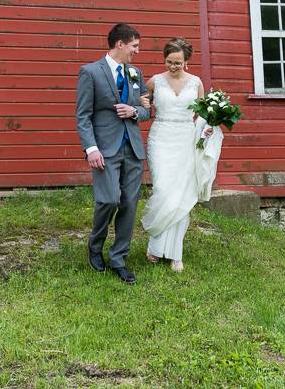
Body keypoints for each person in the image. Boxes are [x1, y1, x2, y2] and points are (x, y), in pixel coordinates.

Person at [76, 23, 151, 285]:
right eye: (134, 46)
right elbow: (83, 116)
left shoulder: (135, 72)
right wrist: (91, 148)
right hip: (104, 149)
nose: (137, 52)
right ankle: (95, 246)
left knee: (129, 204)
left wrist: (134, 112)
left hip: (132, 147)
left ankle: (119, 258)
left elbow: (146, 110)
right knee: (108, 200)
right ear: (120, 44)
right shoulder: (90, 72)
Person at [140, 38, 212, 272]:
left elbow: (202, 114)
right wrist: (141, 102)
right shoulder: (154, 81)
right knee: (163, 190)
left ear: (186, 62)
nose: (173, 66)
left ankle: (175, 253)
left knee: (181, 193)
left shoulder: (196, 83)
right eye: (169, 62)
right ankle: (156, 245)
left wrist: (207, 128)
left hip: (185, 139)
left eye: (178, 63)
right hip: (160, 138)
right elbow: (140, 106)